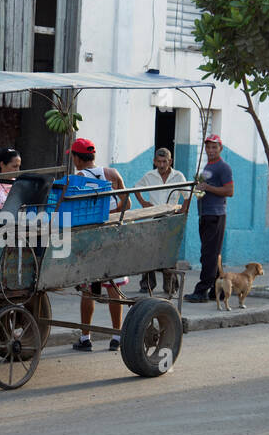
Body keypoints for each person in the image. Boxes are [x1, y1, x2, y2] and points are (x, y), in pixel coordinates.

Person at [65, 138, 130, 351]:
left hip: (90, 238)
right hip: (113, 236)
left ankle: (85, 338)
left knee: (87, 289)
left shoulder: (78, 178)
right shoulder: (112, 174)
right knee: (114, 286)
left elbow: (73, 210)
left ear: (76, 158)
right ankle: (117, 337)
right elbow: (127, 203)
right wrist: (109, 213)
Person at [183, 133, 234, 304]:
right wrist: (199, 190)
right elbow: (205, 190)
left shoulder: (223, 167)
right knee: (210, 253)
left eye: (214, 147)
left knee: (209, 254)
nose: (211, 150)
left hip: (216, 214)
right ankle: (216, 291)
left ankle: (202, 290)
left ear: (220, 148)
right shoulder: (207, 167)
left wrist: (208, 188)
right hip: (204, 214)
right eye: (208, 147)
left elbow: (229, 191)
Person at [134, 148, 189, 296]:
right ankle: (147, 285)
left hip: (171, 219)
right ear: (154, 161)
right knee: (149, 251)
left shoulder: (178, 176)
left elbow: (188, 196)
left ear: (170, 161)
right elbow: (136, 188)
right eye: (158, 161)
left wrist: (182, 212)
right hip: (153, 218)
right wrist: (144, 203)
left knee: (169, 254)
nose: (162, 164)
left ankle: (170, 287)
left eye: (164, 161)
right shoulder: (149, 176)